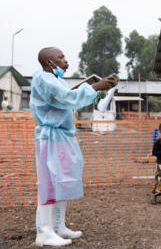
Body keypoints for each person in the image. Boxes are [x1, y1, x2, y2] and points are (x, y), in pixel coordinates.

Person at [30, 47, 116, 246]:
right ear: (48, 62)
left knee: (62, 181)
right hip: (50, 137)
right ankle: (44, 232)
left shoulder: (57, 80)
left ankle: (58, 226)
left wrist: (97, 94)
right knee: (49, 183)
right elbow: (65, 97)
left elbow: (70, 100)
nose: (65, 61)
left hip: (63, 136)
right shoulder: (43, 79)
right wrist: (94, 87)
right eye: (60, 58)